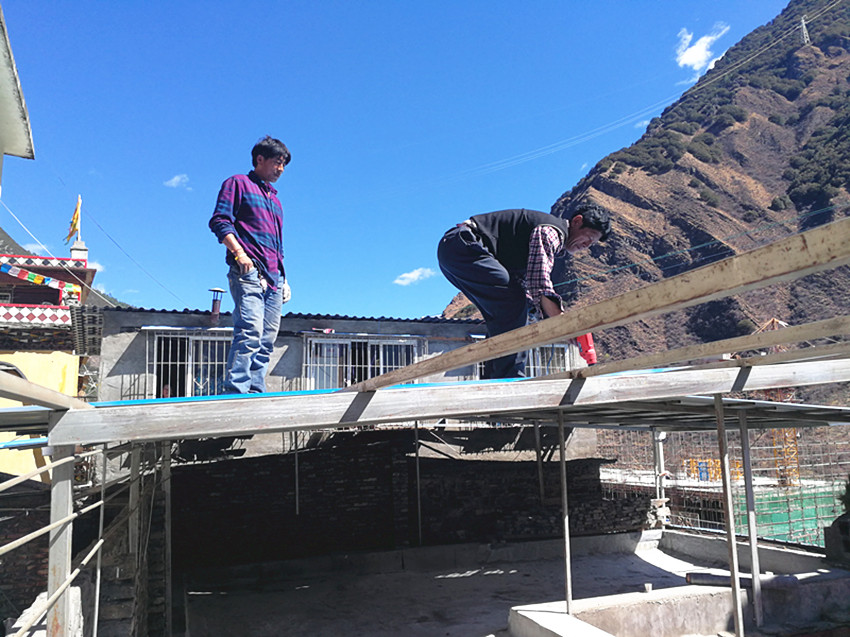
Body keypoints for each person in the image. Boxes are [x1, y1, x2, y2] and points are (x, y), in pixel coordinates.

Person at [437, 204, 610, 379]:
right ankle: (508, 378)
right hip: (462, 246)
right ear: (577, 221)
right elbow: (540, 281)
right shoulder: (550, 231)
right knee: (513, 302)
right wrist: (564, 324)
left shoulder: (532, 242)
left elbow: (523, 285)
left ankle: (493, 378)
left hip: (454, 252)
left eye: (592, 243)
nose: (587, 245)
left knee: (506, 315)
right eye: (588, 238)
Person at [209, 135, 292, 394]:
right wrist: (239, 254)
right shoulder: (238, 183)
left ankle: (256, 391)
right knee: (250, 331)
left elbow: (276, 245)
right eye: (277, 162)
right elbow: (220, 221)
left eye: (284, 164)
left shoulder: (275, 200)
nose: (281, 169)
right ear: (260, 159)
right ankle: (236, 391)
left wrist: (284, 279)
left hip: (274, 278)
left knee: (267, 339)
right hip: (249, 270)